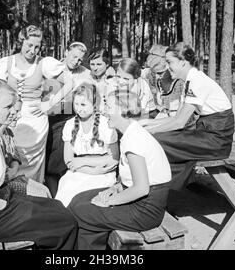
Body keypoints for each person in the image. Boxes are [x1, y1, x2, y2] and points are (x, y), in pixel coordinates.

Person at [0, 81, 78, 249]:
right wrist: (4, 206)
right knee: (65, 223)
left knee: (56, 207)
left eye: (14, 106)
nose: (14, 111)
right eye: (8, 107)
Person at [68, 89, 171, 250]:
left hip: (144, 210)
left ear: (122, 110)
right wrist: (114, 189)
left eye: (108, 107)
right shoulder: (131, 133)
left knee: (83, 212)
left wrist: (108, 202)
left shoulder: (135, 140)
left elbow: (141, 188)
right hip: (136, 197)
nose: (103, 111)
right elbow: (132, 179)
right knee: (78, 199)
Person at [139, 42, 235, 190]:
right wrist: (146, 123)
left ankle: (157, 187)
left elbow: (179, 123)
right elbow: (175, 118)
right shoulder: (190, 81)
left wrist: (148, 131)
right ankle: (159, 186)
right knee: (159, 139)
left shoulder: (197, 81)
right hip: (206, 134)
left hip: (216, 141)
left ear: (183, 62)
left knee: (158, 141)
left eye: (170, 62)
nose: (167, 66)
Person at [0, 25, 73, 183]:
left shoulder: (44, 63)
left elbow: (70, 83)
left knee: (31, 163)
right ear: (21, 41)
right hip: (11, 116)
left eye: (37, 46)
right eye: (29, 45)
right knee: (8, 155)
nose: (33, 50)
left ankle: (34, 193)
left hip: (35, 119)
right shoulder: (5, 63)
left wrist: (49, 103)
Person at [55, 83, 119, 207]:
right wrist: (86, 169)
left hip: (102, 172)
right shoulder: (70, 125)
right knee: (67, 193)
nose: (79, 109)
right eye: (76, 104)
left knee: (85, 202)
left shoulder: (106, 124)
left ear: (94, 104)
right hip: (79, 172)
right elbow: (69, 160)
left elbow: (114, 159)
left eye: (83, 104)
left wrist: (83, 162)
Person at [44, 42, 92, 197]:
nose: (76, 61)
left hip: (67, 117)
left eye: (80, 59)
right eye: (74, 56)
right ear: (66, 52)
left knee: (58, 159)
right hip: (45, 116)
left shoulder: (84, 73)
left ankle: (59, 195)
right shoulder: (53, 67)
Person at [146, 44, 185, 118]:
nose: (158, 76)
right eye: (155, 73)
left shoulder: (181, 82)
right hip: (162, 118)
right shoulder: (155, 79)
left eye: (161, 73)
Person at [88, 47, 115, 111]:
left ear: (107, 64)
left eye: (99, 64)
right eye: (92, 64)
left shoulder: (114, 82)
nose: (95, 68)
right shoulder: (87, 79)